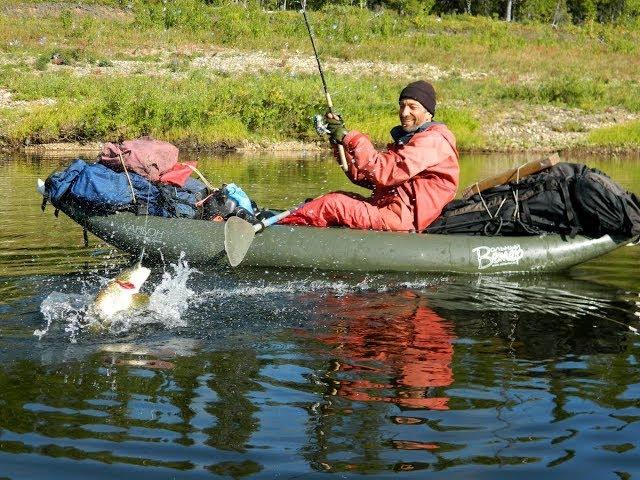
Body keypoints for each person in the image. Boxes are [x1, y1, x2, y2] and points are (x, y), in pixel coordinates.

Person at [279, 80, 460, 232]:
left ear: (428, 113)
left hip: (403, 219)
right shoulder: (413, 139)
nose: (404, 113)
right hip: (390, 210)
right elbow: (368, 178)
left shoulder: (433, 140)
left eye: (413, 107)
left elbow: (385, 172)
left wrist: (349, 137)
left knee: (333, 204)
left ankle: (279, 230)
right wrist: (338, 142)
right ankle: (286, 223)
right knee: (335, 197)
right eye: (402, 106)